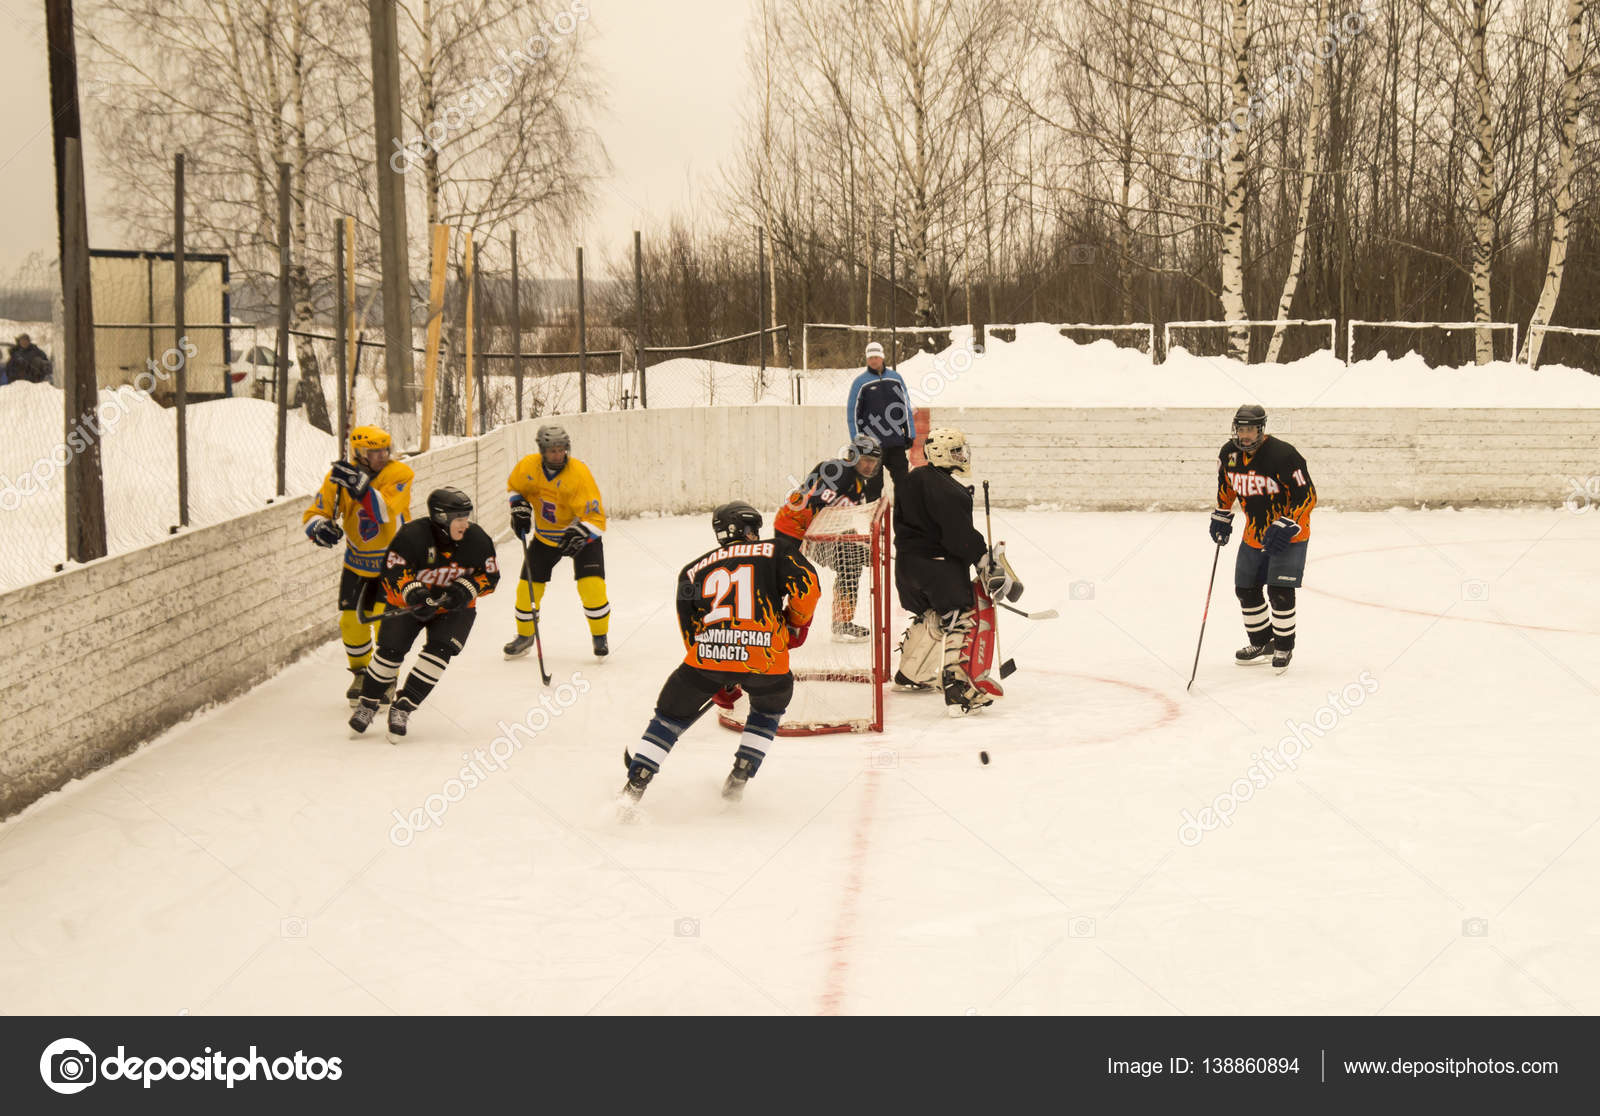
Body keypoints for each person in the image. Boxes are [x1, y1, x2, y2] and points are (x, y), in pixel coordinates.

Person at [621, 501, 820, 808]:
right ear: (746, 530)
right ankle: (742, 771)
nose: (756, 535)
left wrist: (716, 675)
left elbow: (690, 630)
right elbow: (807, 589)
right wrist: (795, 622)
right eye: (754, 529)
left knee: (670, 714)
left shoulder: (692, 570)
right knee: (768, 709)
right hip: (767, 661)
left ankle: (639, 776)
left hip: (708, 660)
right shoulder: (778, 551)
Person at [350, 487, 500, 740]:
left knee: (440, 653)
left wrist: (465, 590)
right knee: (390, 652)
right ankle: (368, 702)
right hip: (409, 606)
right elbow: (394, 572)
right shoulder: (412, 536)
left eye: (466, 516)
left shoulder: (477, 539)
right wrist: (415, 594)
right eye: (459, 518)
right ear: (441, 517)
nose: (465, 523)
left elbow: (491, 576)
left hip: (455, 610)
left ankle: (404, 706)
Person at [892, 427, 1021, 715]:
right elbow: (957, 536)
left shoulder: (912, 480)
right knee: (962, 617)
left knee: (935, 616)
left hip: (907, 567)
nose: (961, 456)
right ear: (939, 453)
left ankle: (910, 674)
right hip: (938, 569)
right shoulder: (949, 489)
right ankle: (959, 690)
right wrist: (982, 558)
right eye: (955, 451)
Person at [302, 425, 414, 704]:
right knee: (350, 623)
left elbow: (383, 512)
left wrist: (357, 484)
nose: (382, 456)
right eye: (373, 451)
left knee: (386, 625)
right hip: (357, 564)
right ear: (359, 453)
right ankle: (362, 673)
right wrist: (319, 529)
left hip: (393, 563)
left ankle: (386, 677)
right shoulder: (338, 478)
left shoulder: (400, 473)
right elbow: (315, 512)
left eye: (384, 450)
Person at [1209, 403, 1316, 673]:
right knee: (1245, 590)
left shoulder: (1283, 454)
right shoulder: (1229, 454)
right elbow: (1226, 487)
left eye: (1250, 430)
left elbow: (1307, 494)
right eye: (1240, 429)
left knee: (1279, 591)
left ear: (1261, 429)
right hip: (1254, 534)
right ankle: (1262, 642)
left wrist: (1288, 523)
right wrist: (1222, 516)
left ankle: (1283, 645)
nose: (1244, 436)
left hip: (1288, 534)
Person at [504, 425, 611, 660]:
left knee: (591, 587)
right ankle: (525, 636)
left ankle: (599, 635)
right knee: (527, 590)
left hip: (580, 538)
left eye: (561, 449)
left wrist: (581, 532)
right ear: (542, 451)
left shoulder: (579, 475)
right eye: (552, 450)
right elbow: (515, 489)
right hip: (544, 538)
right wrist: (519, 507)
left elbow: (597, 519)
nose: (557, 455)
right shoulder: (528, 467)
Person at [773, 433, 884, 641]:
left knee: (851, 564)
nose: (870, 466)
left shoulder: (858, 483)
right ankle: (773, 622)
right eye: (866, 460)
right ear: (853, 456)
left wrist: (857, 542)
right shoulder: (839, 469)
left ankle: (842, 622)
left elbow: (838, 516)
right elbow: (819, 503)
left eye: (873, 461)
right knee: (785, 576)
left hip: (814, 530)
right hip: (792, 528)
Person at [846, 341, 915, 487]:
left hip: (896, 442)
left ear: (882, 357)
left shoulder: (895, 378)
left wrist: (909, 433)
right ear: (867, 359)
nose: (873, 360)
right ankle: (873, 510)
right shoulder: (860, 382)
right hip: (871, 447)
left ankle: (902, 511)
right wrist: (857, 439)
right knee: (873, 487)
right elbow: (852, 414)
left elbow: (906, 407)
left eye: (876, 357)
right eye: (870, 357)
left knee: (904, 485)